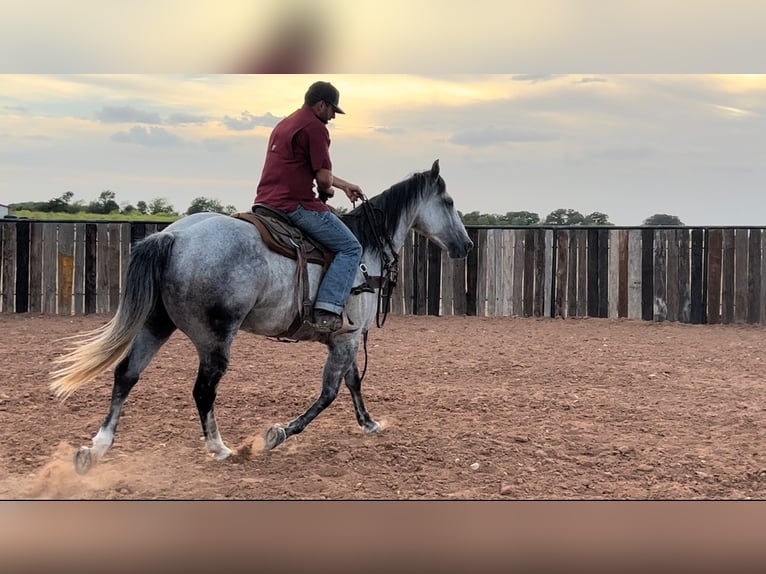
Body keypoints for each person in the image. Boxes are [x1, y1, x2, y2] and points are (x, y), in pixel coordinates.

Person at [254, 81, 365, 333]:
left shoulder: (286, 123)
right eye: (333, 110)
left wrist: (345, 185)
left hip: (265, 201)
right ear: (321, 105)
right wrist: (328, 190)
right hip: (295, 204)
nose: (333, 116)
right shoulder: (316, 128)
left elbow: (311, 169)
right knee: (350, 247)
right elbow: (323, 180)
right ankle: (327, 310)